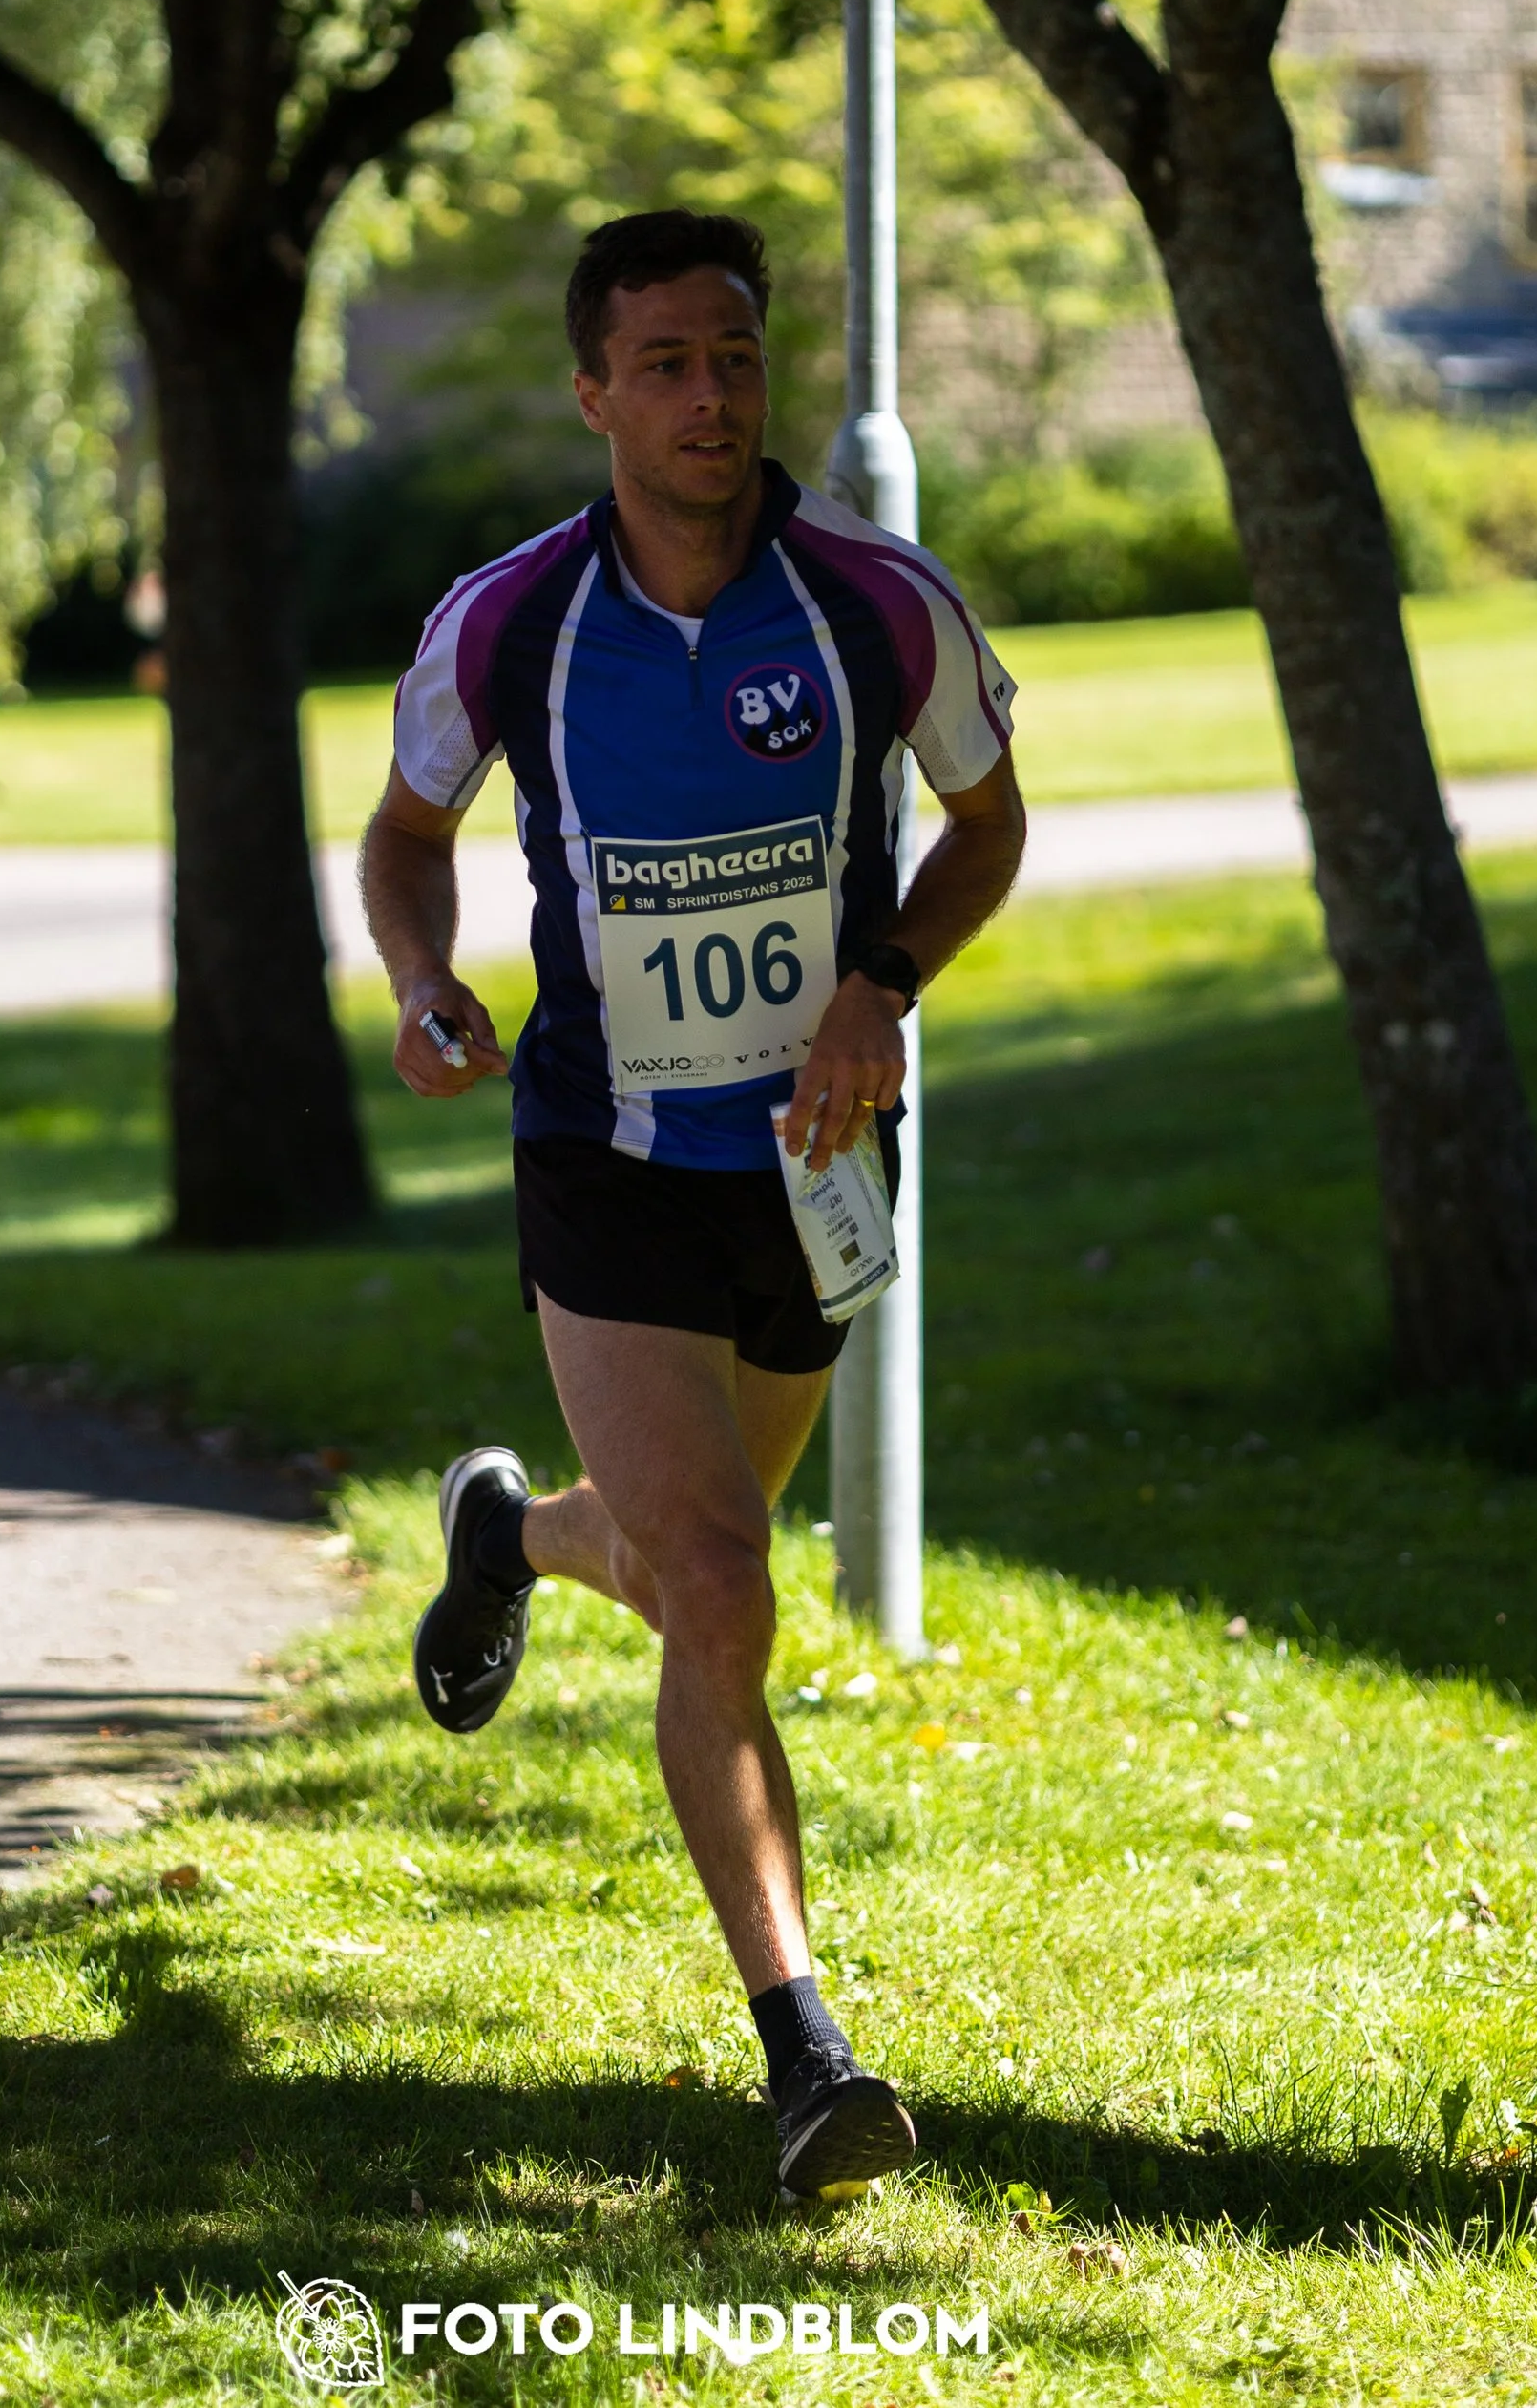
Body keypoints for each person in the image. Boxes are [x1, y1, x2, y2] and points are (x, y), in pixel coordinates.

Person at [358, 207, 1026, 2200]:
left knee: (677, 1568)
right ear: (592, 395)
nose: (707, 396)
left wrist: (877, 978)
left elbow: (987, 827)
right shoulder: (510, 622)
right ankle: (802, 2043)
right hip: (604, 1157)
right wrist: (418, 982)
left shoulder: (873, 604)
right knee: (727, 1585)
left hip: (814, 1162)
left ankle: (514, 1529)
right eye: (661, 363)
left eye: (731, 355)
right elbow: (405, 835)